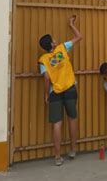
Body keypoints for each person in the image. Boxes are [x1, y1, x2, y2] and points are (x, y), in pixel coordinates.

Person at [38, 15, 82, 166]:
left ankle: (57, 157)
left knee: (57, 124)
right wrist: (71, 25)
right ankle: (73, 149)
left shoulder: (44, 59)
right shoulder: (63, 48)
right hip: (70, 89)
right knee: (72, 119)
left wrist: (46, 94)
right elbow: (79, 37)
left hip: (55, 93)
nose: (55, 39)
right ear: (52, 43)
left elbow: (46, 78)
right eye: (53, 39)